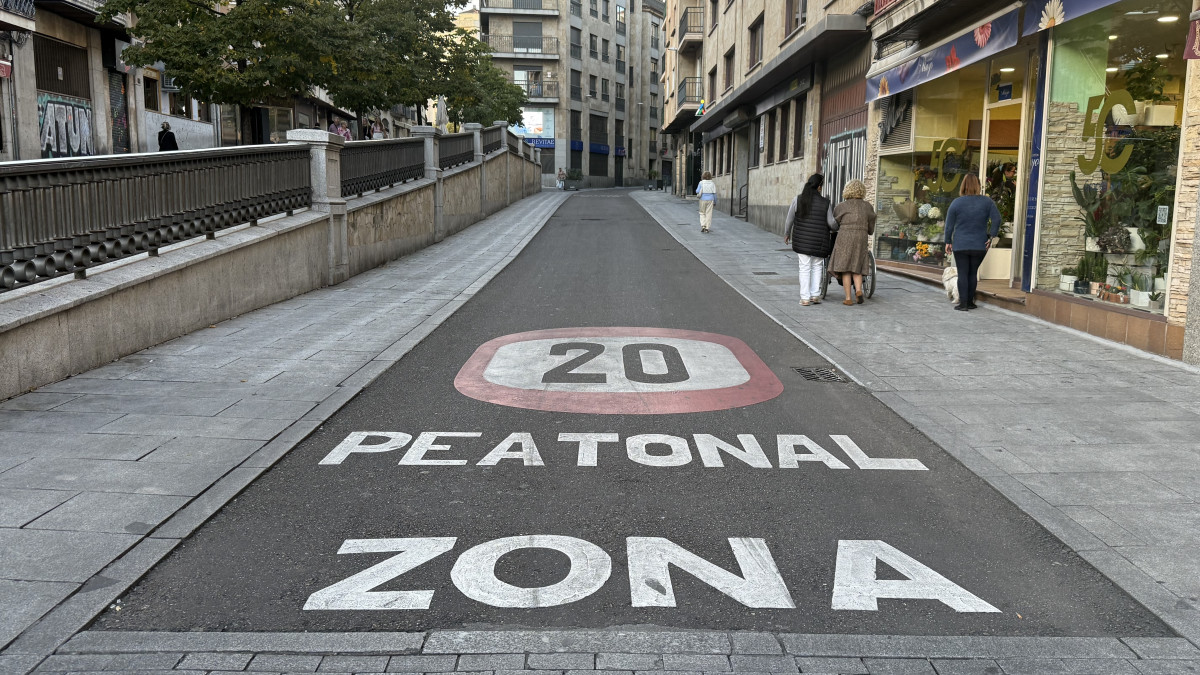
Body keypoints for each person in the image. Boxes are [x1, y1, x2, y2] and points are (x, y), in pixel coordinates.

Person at [944, 173, 1002, 311]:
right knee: (972, 273)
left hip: (961, 244)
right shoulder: (987, 202)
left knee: (963, 273)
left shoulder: (956, 202)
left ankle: (963, 304)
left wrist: (947, 241)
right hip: (980, 244)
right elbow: (997, 219)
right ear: (978, 186)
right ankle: (970, 302)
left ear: (963, 186)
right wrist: (991, 236)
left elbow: (949, 225)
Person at [783, 174, 836, 306]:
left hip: (802, 240)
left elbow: (789, 219)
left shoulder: (798, 199)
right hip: (820, 240)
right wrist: (838, 227)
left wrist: (787, 233)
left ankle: (805, 298)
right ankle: (815, 295)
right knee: (817, 266)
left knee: (804, 267)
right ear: (819, 187)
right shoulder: (825, 203)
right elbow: (831, 223)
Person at [830, 179, 876, 305]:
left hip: (845, 237)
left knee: (846, 269)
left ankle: (848, 298)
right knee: (857, 267)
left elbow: (834, 224)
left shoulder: (841, 206)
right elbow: (871, 229)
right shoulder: (868, 206)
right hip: (861, 237)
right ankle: (859, 291)